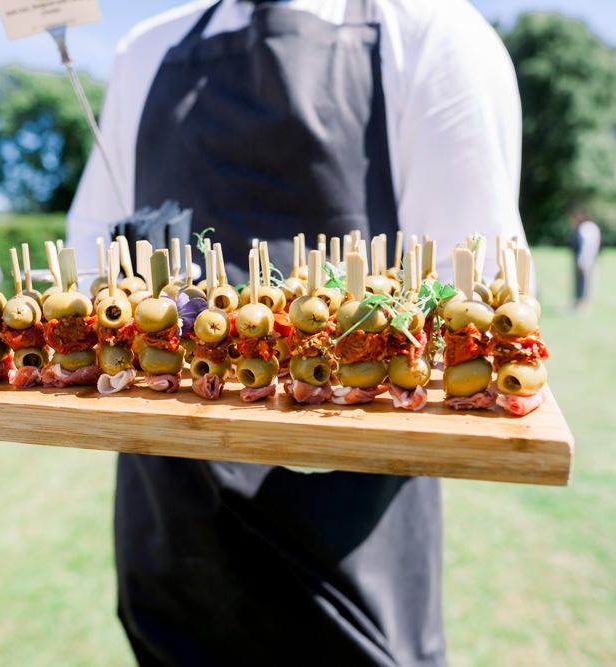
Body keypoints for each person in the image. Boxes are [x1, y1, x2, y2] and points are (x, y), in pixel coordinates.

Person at [68, 1, 527, 664]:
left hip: (351, 533)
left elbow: (472, 289)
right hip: (168, 523)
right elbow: (90, 250)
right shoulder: (145, 48)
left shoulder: (433, 34)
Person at [569, 207, 601, 313]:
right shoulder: (584, 227)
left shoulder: (587, 228)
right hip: (585, 260)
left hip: (586, 261)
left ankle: (583, 307)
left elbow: (586, 247)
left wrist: (581, 261)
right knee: (579, 284)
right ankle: (578, 304)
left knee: (585, 284)